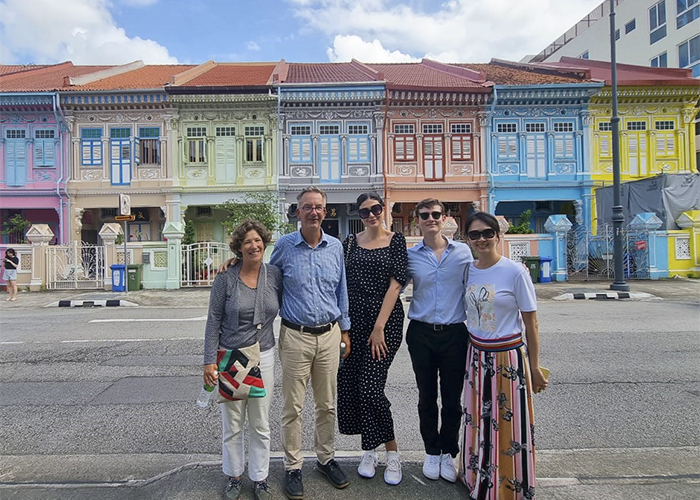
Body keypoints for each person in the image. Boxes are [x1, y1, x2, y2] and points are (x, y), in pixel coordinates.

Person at [459, 212, 548, 500]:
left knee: (509, 423)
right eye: (475, 234)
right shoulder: (468, 271)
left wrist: (534, 367)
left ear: (498, 236)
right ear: (467, 239)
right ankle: (478, 478)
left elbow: (531, 323)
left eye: (487, 233)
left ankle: (510, 486)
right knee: (478, 420)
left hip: (507, 358)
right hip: (476, 355)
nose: (482, 239)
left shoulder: (515, 272)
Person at [271, 186, 351, 500]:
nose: (314, 212)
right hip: (295, 335)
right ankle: (293, 466)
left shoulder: (335, 247)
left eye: (318, 207)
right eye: (307, 207)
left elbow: (341, 289)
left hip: (330, 335)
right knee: (293, 407)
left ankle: (326, 459)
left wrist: (344, 330)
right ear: (298, 212)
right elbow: (268, 283)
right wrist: (235, 266)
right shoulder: (284, 247)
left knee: (327, 405)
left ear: (325, 211)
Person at [203, 219, 282, 500]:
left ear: (264, 243)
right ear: (239, 247)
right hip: (231, 358)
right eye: (247, 241)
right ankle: (233, 475)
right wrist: (208, 361)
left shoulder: (274, 275)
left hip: (264, 356)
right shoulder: (225, 278)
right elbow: (213, 320)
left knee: (261, 423)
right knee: (233, 424)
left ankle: (260, 477)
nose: (254, 245)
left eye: (258, 240)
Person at [338, 193, 407, 485]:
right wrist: (343, 328)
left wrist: (379, 327)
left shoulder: (396, 240)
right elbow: (336, 282)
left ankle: (392, 453)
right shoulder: (350, 243)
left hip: (385, 324)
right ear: (358, 214)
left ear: (383, 209)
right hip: (354, 323)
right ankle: (369, 449)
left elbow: (396, 285)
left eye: (376, 209)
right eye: (364, 211)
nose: (371, 215)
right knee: (353, 385)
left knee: (370, 388)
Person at [405, 198, 473, 484]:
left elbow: (478, 285)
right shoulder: (411, 256)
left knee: (452, 399)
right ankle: (431, 450)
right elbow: (393, 286)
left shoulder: (463, 252)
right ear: (416, 220)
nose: (430, 218)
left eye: (435, 214)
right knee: (426, 396)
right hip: (420, 332)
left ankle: (449, 451)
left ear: (444, 218)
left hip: (455, 333)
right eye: (424, 215)